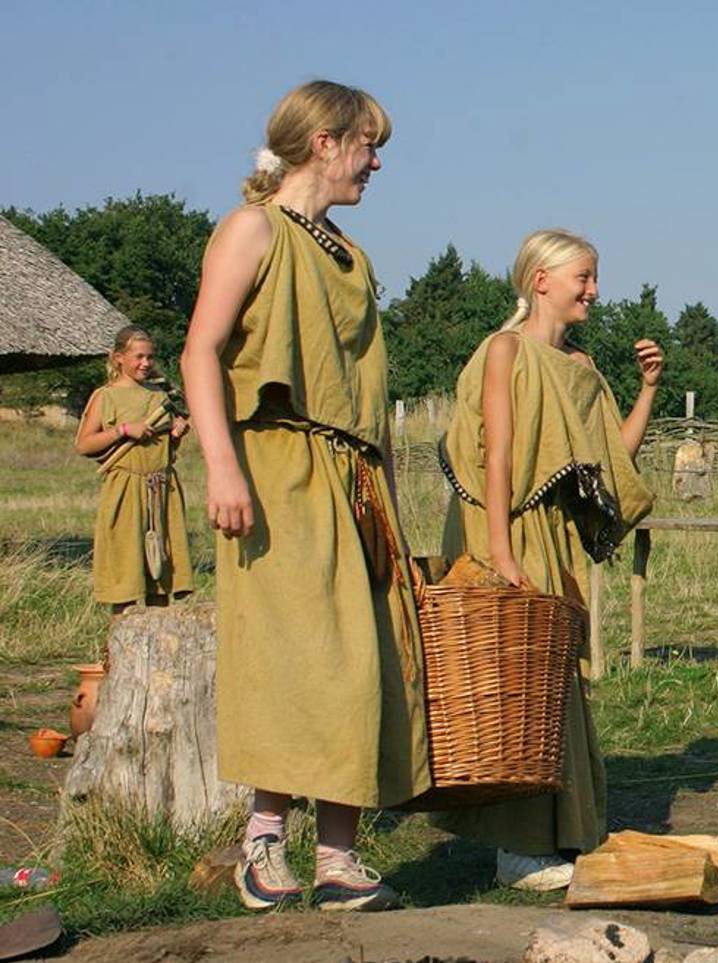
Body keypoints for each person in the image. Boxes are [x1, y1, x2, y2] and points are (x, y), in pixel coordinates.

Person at [182, 80, 423, 912]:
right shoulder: (254, 229)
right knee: (293, 656)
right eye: (367, 141)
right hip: (276, 465)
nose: (376, 158)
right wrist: (221, 466)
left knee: (363, 660)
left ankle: (339, 856)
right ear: (324, 141)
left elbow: (369, 398)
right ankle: (261, 843)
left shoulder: (352, 256)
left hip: (352, 479)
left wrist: (390, 502)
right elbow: (201, 352)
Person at [430, 228, 660, 891]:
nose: (593, 289)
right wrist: (501, 553)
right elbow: (496, 452)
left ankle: (558, 833)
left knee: (555, 684)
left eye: (594, 277)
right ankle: (517, 849)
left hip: (552, 534)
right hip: (502, 526)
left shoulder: (581, 368)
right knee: (510, 683)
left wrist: (647, 389)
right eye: (583, 277)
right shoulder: (505, 350)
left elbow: (613, 459)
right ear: (541, 281)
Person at [74, 325, 193, 612]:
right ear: (119, 359)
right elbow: (84, 444)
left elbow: (166, 450)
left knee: (162, 578)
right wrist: (124, 430)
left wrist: (176, 433)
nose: (146, 363)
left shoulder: (159, 396)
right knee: (125, 579)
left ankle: (160, 655)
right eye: (138, 357)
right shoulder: (106, 396)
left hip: (163, 489)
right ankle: (120, 653)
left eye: (150, 357)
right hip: (125, 490)